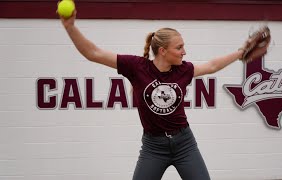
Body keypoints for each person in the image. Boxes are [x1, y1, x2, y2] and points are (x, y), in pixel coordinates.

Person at [59, 9, 247, 180]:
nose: (184, 52)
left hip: (185, 144)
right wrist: (70, 27)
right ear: (163, 51)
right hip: (153, 147)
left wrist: (241, 52)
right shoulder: (136, 67)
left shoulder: (184, 69)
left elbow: (212, 66)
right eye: (179, 47)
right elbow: (93, 53)